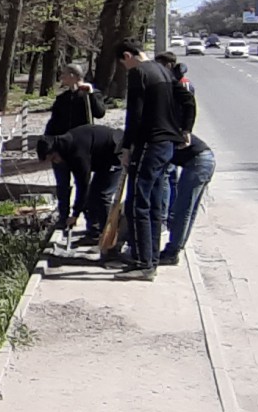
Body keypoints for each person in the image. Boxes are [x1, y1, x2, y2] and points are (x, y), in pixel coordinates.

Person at [118, 43, 181, 276]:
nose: (125, 68)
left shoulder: (139, 73)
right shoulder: (163, 70)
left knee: (138, 202)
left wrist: (127, 146)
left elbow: (134, 113)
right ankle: (151, 258)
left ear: (127, 56)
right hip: (167, 144)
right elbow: (184, 100)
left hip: (149, 143)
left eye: (123, 63)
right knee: (154, 202)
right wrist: (183, 130)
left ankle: (142, 262)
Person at [37, 121, 124, 249]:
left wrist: (75, 214)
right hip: (103, 160)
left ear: (56, 151)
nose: (55, 162)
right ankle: (95, 234)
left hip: (116, 153)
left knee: (102, 196)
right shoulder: (66, 146)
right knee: (92, 196)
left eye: (53, 158)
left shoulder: (76, 153)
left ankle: (109, 238)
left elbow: (83, 185)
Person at [41, 67, 105, 232]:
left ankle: (89, 220)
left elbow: (99, 113)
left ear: (73, 76)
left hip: (81, 150)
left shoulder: (89, 95)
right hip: (61, 148)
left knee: (83, 184)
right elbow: (53, 123)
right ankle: (63, 217)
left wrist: (91, 93)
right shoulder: (62, 99)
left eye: (64, 74)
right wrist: (49, 144)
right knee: (62, 185)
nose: (61, 77)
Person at [164, 132, 217, 264]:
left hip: (198, 163)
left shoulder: (162, 135)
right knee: (188, 210)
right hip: (206, 160)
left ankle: (172, 252)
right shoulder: (168, 130)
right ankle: (176, 248)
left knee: (183, 210)